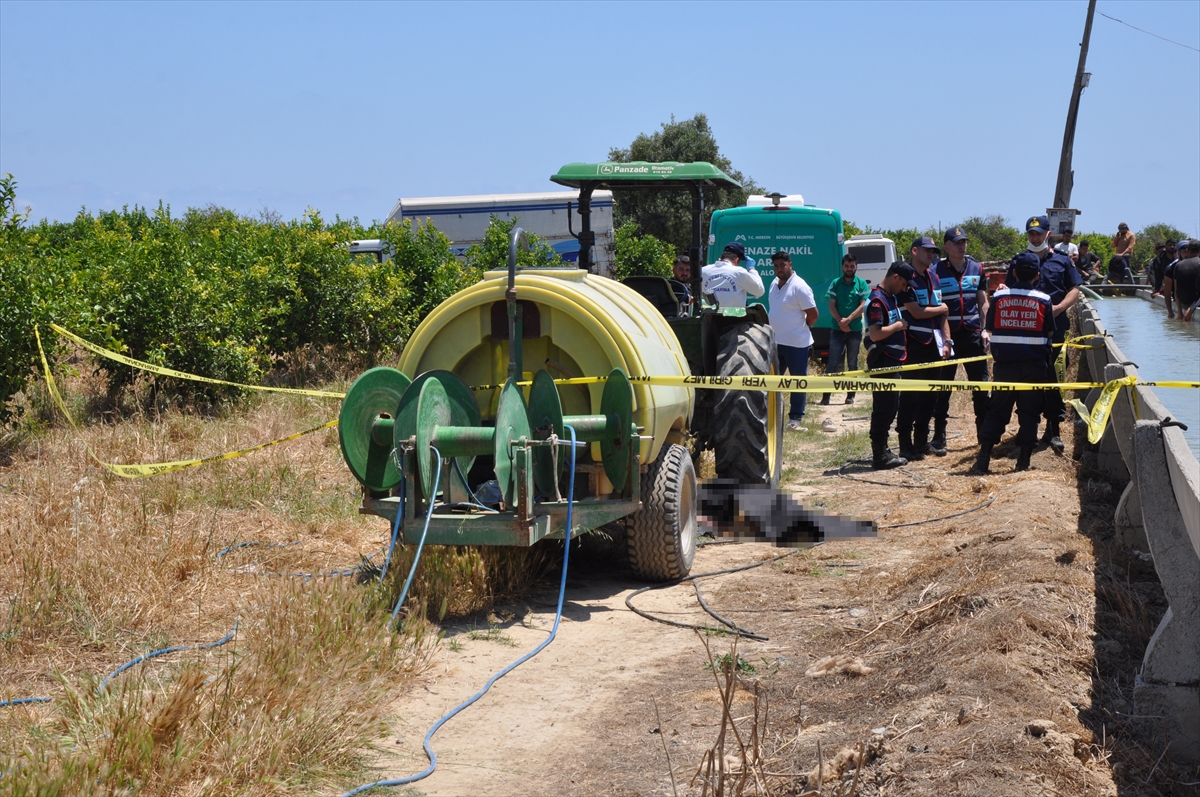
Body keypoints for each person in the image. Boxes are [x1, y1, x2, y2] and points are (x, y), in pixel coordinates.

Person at [972, 252, 1055, 474]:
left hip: (1005, 367)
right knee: (1029, 413)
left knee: (997, 410)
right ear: (1037, 275)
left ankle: (983, 460)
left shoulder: (999, 298)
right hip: (1034, 367)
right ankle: (1023, 463)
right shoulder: (1044, 300)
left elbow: (989, 329)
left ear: (1014, 273)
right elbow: (1048, 331)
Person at [1004, 215, 1081, 454]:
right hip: (1025, 334)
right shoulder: (1018, 261)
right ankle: (1027, 429)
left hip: (1055, 330)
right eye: (1030, 233)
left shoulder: (1062, 261)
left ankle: (1054, 429)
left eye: (1038, 233)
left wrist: (1059, 309)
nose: (1034, 237)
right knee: (1025, 380)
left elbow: (1075, 289)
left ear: (1048, 234)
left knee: (1054, 378)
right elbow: (1008, 290)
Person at [932, 225, 990, 446]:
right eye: (957, 243)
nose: (962, 246)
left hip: (974, 336)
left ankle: (984, 435)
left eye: (964, 242)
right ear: (946, 247)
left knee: (981, 387)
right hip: (949, 339)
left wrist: (986, 330)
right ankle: (939, 436)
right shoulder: (936, 271)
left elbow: (983, 302)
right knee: (943, 387)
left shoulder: (977, 268)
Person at [896, 236, 951, 462]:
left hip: (935, 346)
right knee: (910, 397)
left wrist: (947, 341)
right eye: (927, 251)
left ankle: (921, 441)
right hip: (914, 344)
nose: (931, 255)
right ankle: (905, 445)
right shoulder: (905, 278)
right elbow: (916, 312)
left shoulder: (934, 277)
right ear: (915, 251)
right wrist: (940, 309)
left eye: (934, 251)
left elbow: (943, 313)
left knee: (931, 397)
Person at [864, 262, 914, 469]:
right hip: (883, 361)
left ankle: (883, 449)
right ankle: (880, 454)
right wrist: (898, 326)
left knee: (890, 406)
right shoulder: (877, 301)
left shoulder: (889, 298)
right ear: (894, 277)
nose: (904, 288)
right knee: (884, 408)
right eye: (903, 283)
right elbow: (875, 334)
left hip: (892, 360)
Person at [768, 251, 818, 432]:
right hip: (776, 342)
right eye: (776, 266)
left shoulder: (799, 286)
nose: (779, 269)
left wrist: (800, 328)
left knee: (797, 381)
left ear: (790, 264)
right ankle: (771, 415)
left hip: (797, 343)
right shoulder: (774, 283)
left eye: (783, 265)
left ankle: (795, 419)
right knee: (772, 382)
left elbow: (813, 315)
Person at [820, 253, 870, 406]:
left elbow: (862, 306)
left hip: (854, 330)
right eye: (847, 266)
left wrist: (848, 320)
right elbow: (831, 306)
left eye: (852, 266)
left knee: (853, 364)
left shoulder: (862, 284)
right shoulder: (835, 283)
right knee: (832, 364)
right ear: (842, 267)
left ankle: (850, 396)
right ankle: (826, 397)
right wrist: (841, 322)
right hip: (837, 330)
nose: (849, 269)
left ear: (856, 266)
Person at [701, 242, 764, 309]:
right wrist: (752, 269)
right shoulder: (739, 272)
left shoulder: (703, 271)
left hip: (709, 318)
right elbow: (759, 291)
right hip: (733, 318)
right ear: (736, 260)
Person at [1170, 240, 1200, 322]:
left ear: (1188, 251)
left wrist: (1180, 313)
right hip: (1196, 303)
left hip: (1184, 303)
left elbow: (1176, 291)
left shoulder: (1178, 265)